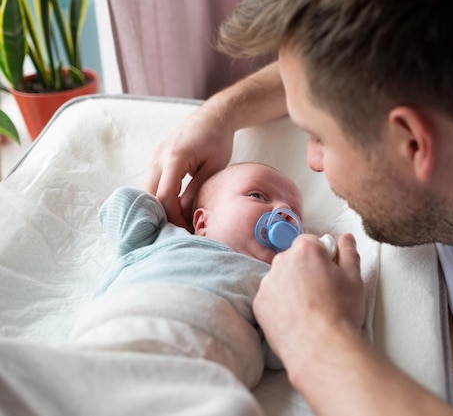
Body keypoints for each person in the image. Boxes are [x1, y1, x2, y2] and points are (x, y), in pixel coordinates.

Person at [146, 0, 453, 416]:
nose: (312, 163)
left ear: (413, 144)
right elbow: (327, 71)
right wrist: (218, 114)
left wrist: (315, 335)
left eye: (319, 137)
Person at [70, 162, 305, 415]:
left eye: (295, 214)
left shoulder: (274, 281)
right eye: (257, 195)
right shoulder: (167, 237)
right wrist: (163, 206)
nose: (283, 212)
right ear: (202, 222)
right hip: (115, 332)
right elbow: (122, 205)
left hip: (201, 373)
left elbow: (281, 351)